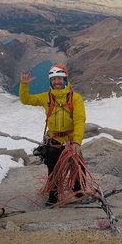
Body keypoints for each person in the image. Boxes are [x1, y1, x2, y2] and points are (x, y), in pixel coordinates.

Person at [19, 64, 86, 207]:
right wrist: (24, 86)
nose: (57, 82)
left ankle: (79, 193)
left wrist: (77, 143)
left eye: (60, 79)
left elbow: (80, 120)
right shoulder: (46, 97)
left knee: (77, 167)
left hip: (70, 140)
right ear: (50, 81)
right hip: (54, 140)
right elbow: (26, 100)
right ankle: (53, 197)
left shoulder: (75, 98)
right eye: (54, 79)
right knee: (53, 170)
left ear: (65, 79)